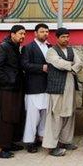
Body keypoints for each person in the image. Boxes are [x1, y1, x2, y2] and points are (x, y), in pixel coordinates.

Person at [42, 27, 82, 157]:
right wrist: (71, 66)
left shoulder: (71, 50)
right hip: (57, 89)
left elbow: (80, 63)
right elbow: (58, 63)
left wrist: (71, 66)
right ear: (57, 38)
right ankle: (51, 146)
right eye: (63, 37)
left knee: (69, 114)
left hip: (70, 87)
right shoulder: (51, 51)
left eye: (67, 37)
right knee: (55, 116)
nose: (66, 39)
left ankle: (65, 141)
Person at [0, 25, 26, 159]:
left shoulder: (15, 47)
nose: (23, 36)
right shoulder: (4, 46)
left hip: (15, 87)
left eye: (24, 34)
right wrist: (8, 81)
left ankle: (8, 143)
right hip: (7, 89)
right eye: (20, 34)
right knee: (5, 118)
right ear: (12, 34)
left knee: (13, 117)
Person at [21, 24, 50, 153]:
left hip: (46, 87)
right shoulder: (28, 47)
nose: (45, 33)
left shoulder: (49, 47)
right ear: (35, 33)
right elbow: (25, 65)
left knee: (44, 114)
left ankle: (41, 137)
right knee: (32, 117)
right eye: (42, 31)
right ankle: (29, 141)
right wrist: (41, 68)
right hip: (33, 87)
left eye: (47, 31)